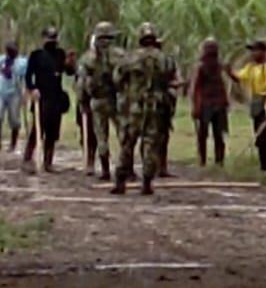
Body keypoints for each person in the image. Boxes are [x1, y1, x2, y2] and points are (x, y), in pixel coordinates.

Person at [111, 22, 179, 195]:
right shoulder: (165, 59)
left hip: (134, 106)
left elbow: (117, 79)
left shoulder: (129, 58)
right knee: (150, 143)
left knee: (128, 142)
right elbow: (171, 79)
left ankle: (120, 181)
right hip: (156, 106)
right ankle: (147, 182)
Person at [23, 26, 75, 174]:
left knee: (53, 132)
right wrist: (32, 89)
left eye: (53, 38)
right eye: (49, 38)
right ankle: (28, 159)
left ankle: (48, 162)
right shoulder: (36, 55)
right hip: (42, 98)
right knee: (37, 130)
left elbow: (69, 72)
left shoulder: (60, 54)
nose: (51, 41)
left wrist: (70, 63)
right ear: (43, 39)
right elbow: (28, 76)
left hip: (56, 97)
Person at [76, 22, 124, 180]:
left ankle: (105, 171)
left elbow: (81, 82)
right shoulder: (120, 55)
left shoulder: (88, 58)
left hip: (97, 101)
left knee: (101, 136)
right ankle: (125, 167)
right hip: (117, 100)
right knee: (123, 134)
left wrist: (82, 101)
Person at [232, 39, 266, 171]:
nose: (253, 53)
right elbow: (237, 77)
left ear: (263, 52)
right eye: (252, 51)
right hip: (256, 103)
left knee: (264, 137)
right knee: (259, 137)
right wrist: (227, 70)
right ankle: (265, 166)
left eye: (256, 50)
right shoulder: (251, 68)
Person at [191, 37, 231, 167]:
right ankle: (202, 160)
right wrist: (196, 106)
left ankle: (219, 161)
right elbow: (196, 87)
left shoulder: (219, 66)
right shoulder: (201, 67)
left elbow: (221, 85)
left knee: (218, 134)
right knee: (203, 134)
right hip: (205, 104)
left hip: (217, 103)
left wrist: (225, 101)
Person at [0, 41, 27, 151]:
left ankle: (13, 144)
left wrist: (25, 94)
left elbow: (26, 78)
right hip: (0, 92)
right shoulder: (1, 60)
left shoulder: (22, 62)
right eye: (9, 51)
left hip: (15, 93)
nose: (11, 53)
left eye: (13, 51)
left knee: (14, 120)